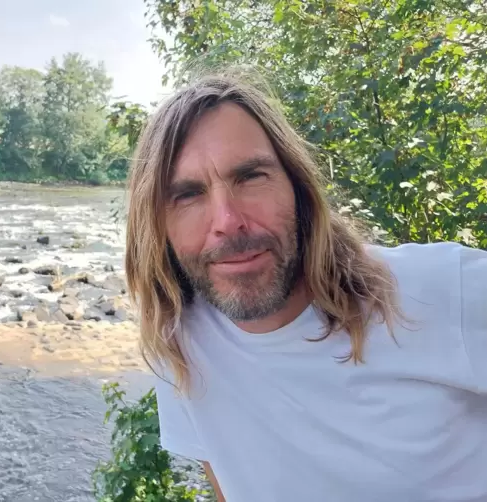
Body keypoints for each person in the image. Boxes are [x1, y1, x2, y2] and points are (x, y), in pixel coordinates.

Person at [123, 69, 487, 502]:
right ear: (157, 224)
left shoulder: (446, 289)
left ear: (298, 186)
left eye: (251, 177)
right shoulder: (178, 342)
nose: (227, 222)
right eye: (187, 195)